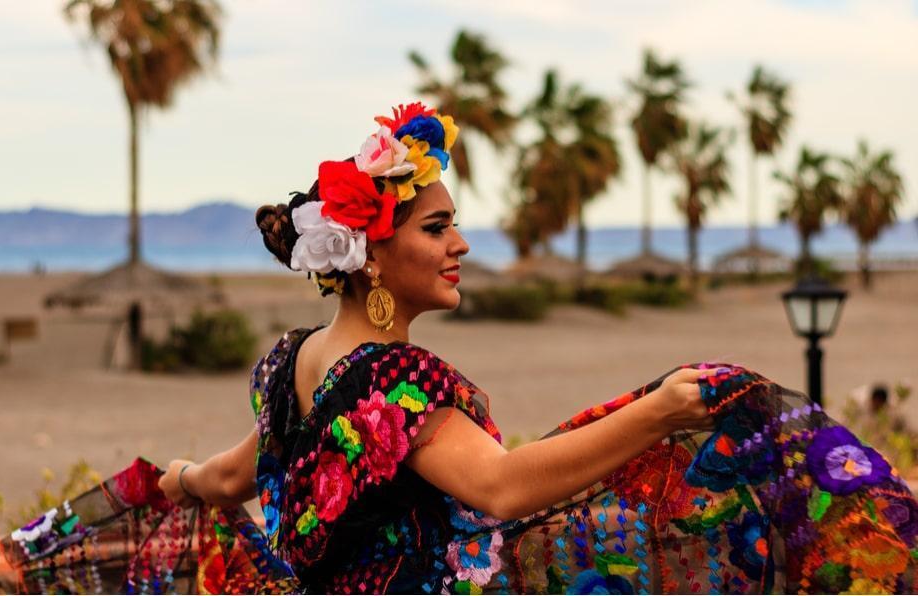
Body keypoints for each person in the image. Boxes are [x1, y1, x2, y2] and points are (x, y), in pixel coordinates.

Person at [145, 102, 918, 594]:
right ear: (372, 256)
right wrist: (657, 415)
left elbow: (222, 479)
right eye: (437, 228)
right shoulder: (395, 380)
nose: (462, 246)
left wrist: (163, 480)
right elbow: (503, 489)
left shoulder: (290, 362)